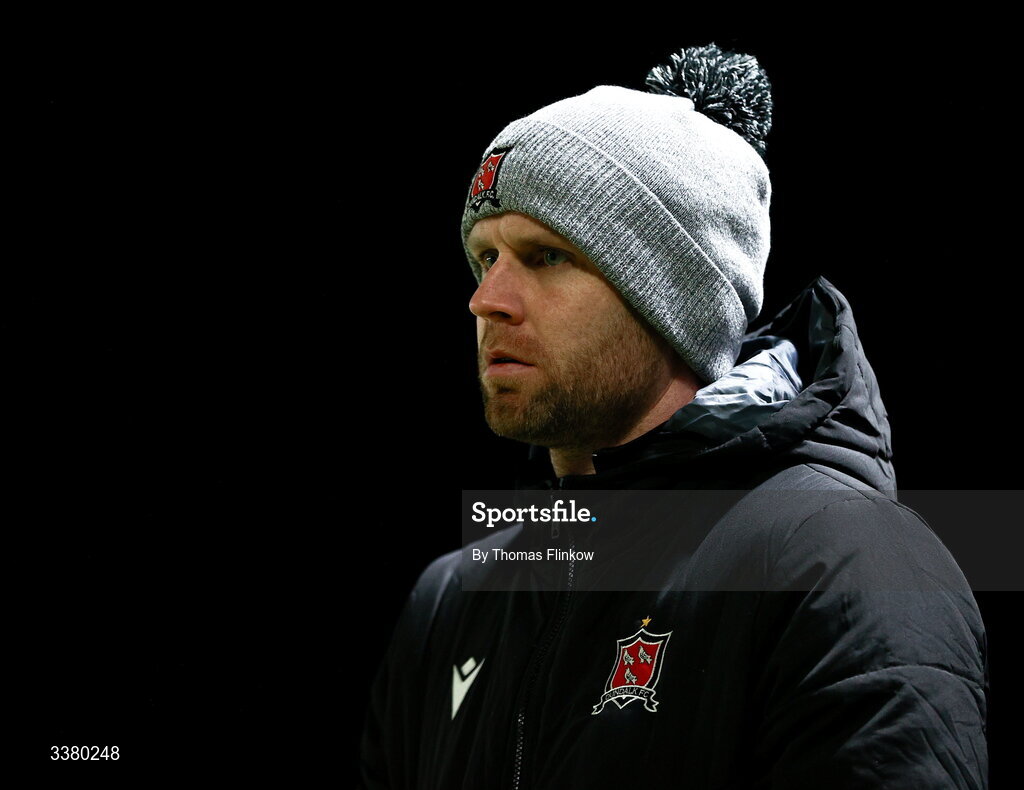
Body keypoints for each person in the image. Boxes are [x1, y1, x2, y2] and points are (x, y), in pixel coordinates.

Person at [359, 43, 988, 788]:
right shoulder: (454, 597)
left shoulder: (845, 564)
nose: (487, 299)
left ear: (672, 298)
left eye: (547, 256)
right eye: (484, 257)